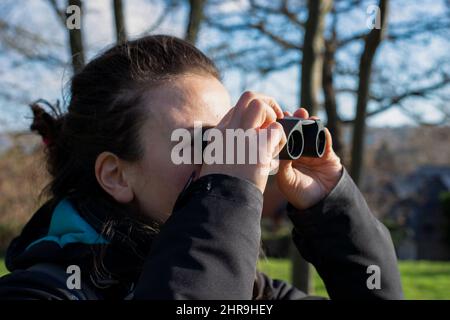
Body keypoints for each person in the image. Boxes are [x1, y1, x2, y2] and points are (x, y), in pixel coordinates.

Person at [0, 35, 402, 300]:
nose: (225, 157)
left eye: (228, 134)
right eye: (202, 141)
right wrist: (226, 195)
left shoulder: (249, 291)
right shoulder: (38, 293)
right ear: (116, 175)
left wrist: (332, 212)